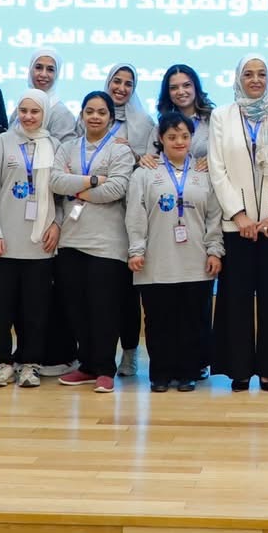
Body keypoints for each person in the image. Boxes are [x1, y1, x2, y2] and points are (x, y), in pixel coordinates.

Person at [208, 55, 268, 392]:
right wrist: (239, 215)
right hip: (237, 226)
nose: (255, 80)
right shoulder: (221, 116)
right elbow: (217, 169)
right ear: (238, 78)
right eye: (248, 74)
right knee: (235, 298)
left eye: (261, 74)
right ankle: (238, 368)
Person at [129, 112, 223, 393]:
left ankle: (187, 372)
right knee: (158, 320)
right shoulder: (145, 173)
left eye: (184, 136)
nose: (179, 141)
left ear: (192, 138)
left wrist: (214, 250)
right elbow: (136, 215)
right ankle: (160, 373)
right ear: (161, 138)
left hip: (196, 260)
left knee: (192, 320)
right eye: (172, 137)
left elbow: (214, 216)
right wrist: (136, 249)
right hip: (156, 260)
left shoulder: (205, 173)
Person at [52, 91, 136, 392]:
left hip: (107, 243)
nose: (95, 117)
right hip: (71, 239)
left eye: (102, 112)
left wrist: (75, 187)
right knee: (77, 307)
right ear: (82, 115)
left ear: (111, 118)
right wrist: (95, 180)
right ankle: (86, 366)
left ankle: (104, 369)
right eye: (90, 111)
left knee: (104, 309)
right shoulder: (67, 147)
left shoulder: (120, 150)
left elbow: (116, 189)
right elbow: (54, 181)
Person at [0, 90, 62, 388]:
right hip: (3, 242)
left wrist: (57, 224)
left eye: (35, 111)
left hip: (39, 243)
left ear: (45, 114)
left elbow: (61, 192)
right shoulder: (3, 142)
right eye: (23, 110)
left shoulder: (54, 146)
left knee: (35, 310)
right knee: (3, 310)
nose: (28, 117)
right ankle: (4, 363)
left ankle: (30, 364)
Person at [104, 62, 143, 375]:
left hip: (130, 216)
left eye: (128, 83)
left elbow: (151, 161)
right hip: (95, 216)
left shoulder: (143, 122)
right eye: (116, 81)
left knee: (129, 292)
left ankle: (129, 352)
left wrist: (133, 151)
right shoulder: (91, 114)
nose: (121, 88)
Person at [156, 63, 215, 159]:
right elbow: (152, 157)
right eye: (174, 88)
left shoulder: (213, 120)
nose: (181, 92)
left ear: (196, 87)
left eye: (186, 85)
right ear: (168, 93)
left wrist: (210, 161)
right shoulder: (161, 125)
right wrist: (147, 159)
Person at [28, 48, 78, 140]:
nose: (43, 74)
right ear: (31, 69)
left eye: (50, 70)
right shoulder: (21, 106)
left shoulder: (62, 114)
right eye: (38, 67)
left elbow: (66, 148)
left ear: (57, 74)